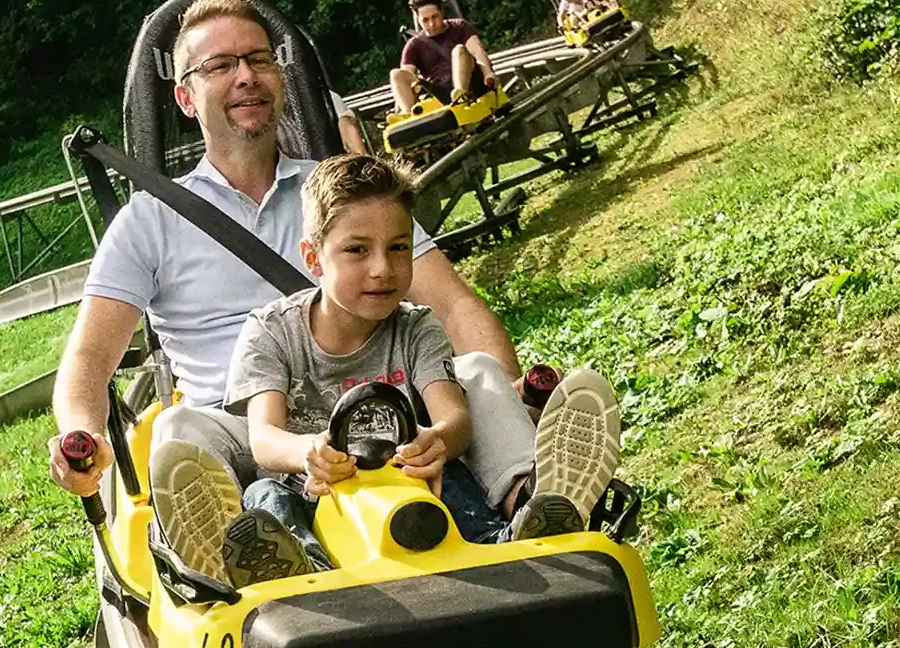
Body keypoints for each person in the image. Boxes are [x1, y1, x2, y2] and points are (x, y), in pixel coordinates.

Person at [42, 0, 545, 587]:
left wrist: (508, 391)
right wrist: (85, 435)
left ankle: (537, 500)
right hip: (247, 430)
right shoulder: (148, 222)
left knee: (480, 371)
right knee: (179, 432)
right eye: (220, 65)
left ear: (280, 79)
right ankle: (232, 558)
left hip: (380, 398)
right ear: (185, 98)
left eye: (259, 59)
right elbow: (87, 358)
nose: (246, 75)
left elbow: (453, 303)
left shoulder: (343, 195)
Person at [202, 154, 618, 577]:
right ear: (313, 259)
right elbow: (264, 437)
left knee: (448, 472)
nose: (382, 269)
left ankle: (516, 527)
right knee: (265, 494)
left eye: (398, 248)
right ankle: (299, 567)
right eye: (357, 250)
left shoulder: (416, 325)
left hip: (404, 479)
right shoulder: (272, 332)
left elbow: (452, 415)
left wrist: (435, 441)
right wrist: (308, 451)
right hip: (315, 487)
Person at [388, 0, 498, 113]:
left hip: (470, 81)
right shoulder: (413, 45)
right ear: (418, 19)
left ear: (442, 12)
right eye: (425, 20)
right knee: (395, 74)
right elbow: (406, 75)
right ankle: (407, 114)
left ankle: (460, 97)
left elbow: (477, 51)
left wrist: (488, 73)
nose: (431, 24)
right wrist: (399, 100)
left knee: (459, 50)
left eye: (434, 17)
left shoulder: (459, 26)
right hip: (439, 90)